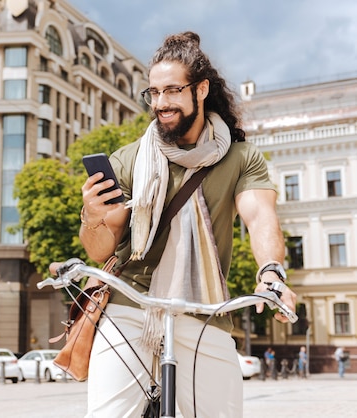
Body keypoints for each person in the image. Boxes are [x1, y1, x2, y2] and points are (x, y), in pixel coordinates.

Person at [77, 31, 297, 417]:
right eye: (154, 93)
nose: (161, 103)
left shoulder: (241, 158)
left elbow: (261, 216)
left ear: (201, 90)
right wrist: (93, 217)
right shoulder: (129, 160)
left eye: (173, 90)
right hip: (130, 305)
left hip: (205, 309)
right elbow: (100, 249)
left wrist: (271, 273)